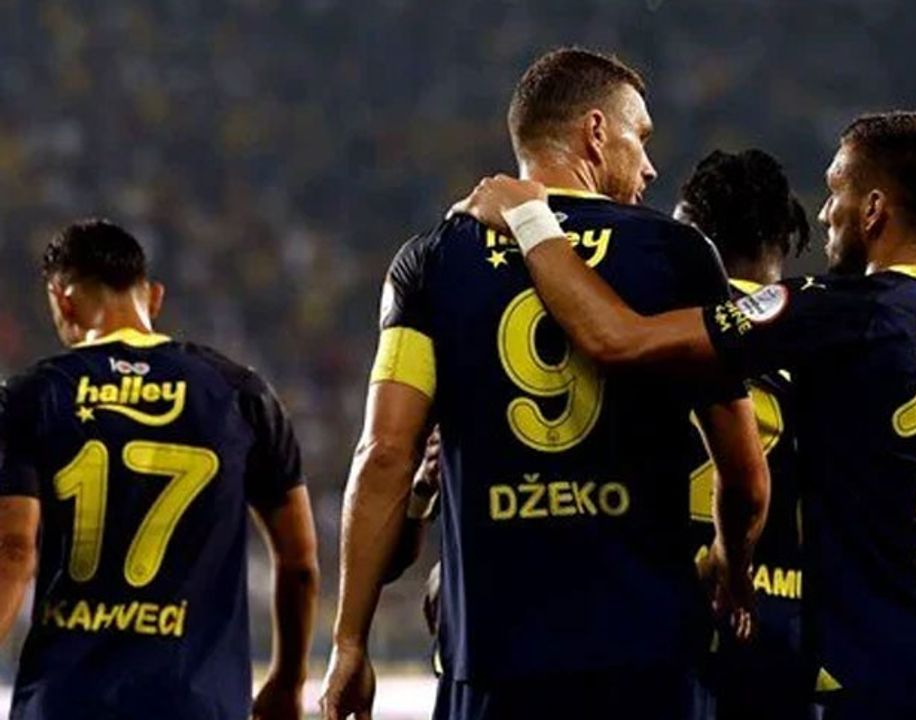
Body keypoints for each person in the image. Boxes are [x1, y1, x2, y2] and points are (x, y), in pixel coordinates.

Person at [452, 110, 916, 720]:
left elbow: (617, 338)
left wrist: (531, 220)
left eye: (835, 191)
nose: (825, 214)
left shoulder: (838, 311)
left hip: (896, 677)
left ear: (873, 209)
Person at [319, 47, 769, 720]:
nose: (649, 167)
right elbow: (745, 475)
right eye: (641, 138)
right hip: (645, 654)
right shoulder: (676, 254)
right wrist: (732, 568)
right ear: (596, 132)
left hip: (491, 657)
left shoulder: (433, 258)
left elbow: (384, 455)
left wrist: (349, 642)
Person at [0, 219, 319, 720]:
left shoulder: (31, 396)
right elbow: (299, 562)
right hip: (197, 702)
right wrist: (288, 678)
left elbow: (14, 550)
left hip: (67, 700)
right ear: (154, 297)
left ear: (62, 299)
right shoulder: (241, 394)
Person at [674, 149, 817, 720]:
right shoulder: (830, 335)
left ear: (689, 231)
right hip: (791, 626)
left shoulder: (651, 329)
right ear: (785, 239)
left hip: (670, 614)